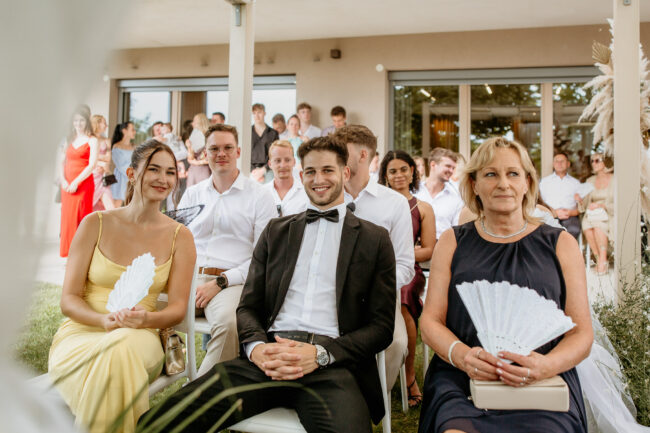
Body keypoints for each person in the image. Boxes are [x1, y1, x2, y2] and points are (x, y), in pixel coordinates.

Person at [139, 136, 396, 433]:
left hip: (331, 366)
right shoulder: (277, 231)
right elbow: (248, 306)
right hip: (266, 358)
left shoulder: (374, 239)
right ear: (301, 176)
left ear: (345, 173)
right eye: (310, 172)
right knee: (159, 424)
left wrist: (320, 354)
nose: (318, 179)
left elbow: (381, 327)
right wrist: (256, 348)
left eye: (328, 170)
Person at [418, 137, 593, 433]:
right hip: (463, 377)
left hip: (542, 378)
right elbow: (430, 321)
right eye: (490, 174)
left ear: (527, 182)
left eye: (513, 173)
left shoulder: (561, 244)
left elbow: (582, 333)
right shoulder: (452, 242)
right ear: (474, 184)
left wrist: (545, 366)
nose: (503, 184)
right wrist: (462, 356)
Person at [48, 140, 196, 433]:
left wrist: (146, 319)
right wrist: (103, 320)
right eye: (153, 169)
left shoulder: (181, 237)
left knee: (119, 349)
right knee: (113, 362)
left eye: (170, 172)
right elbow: (69, 300)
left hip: (139, 336)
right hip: (82, 334)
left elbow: (178, 308)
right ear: (130, 173)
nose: (163, 179)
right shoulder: (94, 223)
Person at [177, 124, 276, 376]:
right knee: (139, 308)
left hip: (230, 282)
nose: (221, 153)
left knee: (231, 324)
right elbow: (177, 243)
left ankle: (199, 392)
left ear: (238, 151)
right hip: (188, 279)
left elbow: (262, 257)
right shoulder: (192, 194)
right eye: (214, 149)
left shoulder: (260, 196)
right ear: (205, 153)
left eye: (227, 148)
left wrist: (221, 282)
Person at [334, 125, 415, 391]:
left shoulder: (394, 203)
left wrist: (374, 288)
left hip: (378, 296)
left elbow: (405, 265)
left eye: (342, 151)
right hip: (330, 294)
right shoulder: (326, 196)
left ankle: (374, 399)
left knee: (397, 343)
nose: (335, 157)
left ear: (363, 155)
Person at [379, 150, 436, 408]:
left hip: (410, 270)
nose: (399, 175)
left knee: (402, 294)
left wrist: (401, 253)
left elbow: (429, 249)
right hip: (378, 269)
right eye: (392, 171)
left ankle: (410, 376)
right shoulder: (379, 205)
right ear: (385, 176)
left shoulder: (423, 208)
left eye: (404, 169)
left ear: (412, 172)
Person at [59, 108, 100, 257]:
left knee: (81, 218)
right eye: (76, 120)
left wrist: (76, 182)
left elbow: (92, 165)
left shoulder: (93, 140)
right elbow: (61, 162)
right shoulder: (68, 140)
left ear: (87, 121)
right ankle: (68, 255)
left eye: (81, 120)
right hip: (67, 185)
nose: (78, 123)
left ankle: (80, 256)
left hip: (83, 184)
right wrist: (63, 180)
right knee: (68, 219)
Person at [575, 153, 614, 275]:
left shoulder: (615, 179)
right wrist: (580, 200)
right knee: (587, 227)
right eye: (592, 161)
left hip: (609, 213)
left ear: (605, 162)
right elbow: (585, 204)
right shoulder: (590, 181)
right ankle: (599, 259)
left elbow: (619, 202)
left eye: (597, 160)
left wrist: (602, 206)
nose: (594, 163)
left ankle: (602, 260)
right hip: (593, 214)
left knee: (598, 227)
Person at [415, 148, 464, 240]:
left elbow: (457, 232)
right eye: (448, 166)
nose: (451, 171)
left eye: (453, 168)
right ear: (433, 165)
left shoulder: (456, 198)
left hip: (443, 245)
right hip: (415, 245)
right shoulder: (415, 192)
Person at [539, 152, 582, 239]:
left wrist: (570, 213)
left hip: (570, 216)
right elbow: (540, 202)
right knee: (546, 232)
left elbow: (581, 206)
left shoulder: (576, 183)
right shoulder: (544, 182)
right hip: (550, 216)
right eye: (556, 161)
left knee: (574, 230)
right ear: (553, 164)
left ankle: (566, 248)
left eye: (562, 161)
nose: (559, 163)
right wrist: (554, 213)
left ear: (568, 164)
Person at [264, 140, 309, 216]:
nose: (283, 165)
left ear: (294, 162)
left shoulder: (307, 193)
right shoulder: (262, 193)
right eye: (278, 161)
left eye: (287, 160)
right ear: (270, 164)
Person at [90, 114, 115, 211]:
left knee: (111, 209)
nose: (106, 125)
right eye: (104, 123)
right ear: (97, 124)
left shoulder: (107, 140)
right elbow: (86, 157)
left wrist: (95, 157)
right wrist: (100, 162)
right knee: (90, 208)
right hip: (91, 176)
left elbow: (108, 158)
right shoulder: (89, 139)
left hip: (103, 177)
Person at [110, 121, 136, 207]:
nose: (135, 132)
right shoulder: (117, 146)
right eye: (132, 129)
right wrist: (133, 175)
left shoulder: (134, 147)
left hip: (132, 178)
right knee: (116, 206)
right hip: (121, 179)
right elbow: (120, 165)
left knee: (131, 205)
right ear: (124, 131)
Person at [251, 103, 279, 179]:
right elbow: (245, 153)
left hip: (268, 170)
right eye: (254, 113)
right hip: (251, 171)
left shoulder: (273, 133)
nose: (257, 116)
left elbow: (275, 154)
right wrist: (254, 171)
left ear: (264, 113)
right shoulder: (248, 133)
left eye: (259, 112)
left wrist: (263, 170)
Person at [186, 113, 211, 187]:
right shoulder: (193, 137)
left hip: (202, 170)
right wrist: (189, 147)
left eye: (194, 121)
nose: (192, 123)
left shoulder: (210, 137)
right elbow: (190, 158)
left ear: (200, 123)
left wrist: (196, 162)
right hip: (195, 170)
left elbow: (210, 158)